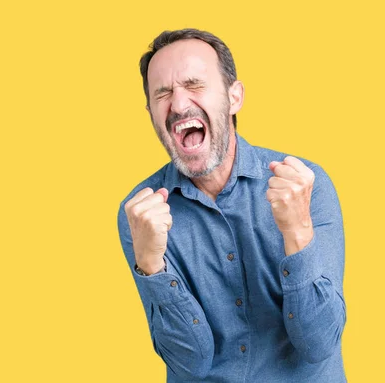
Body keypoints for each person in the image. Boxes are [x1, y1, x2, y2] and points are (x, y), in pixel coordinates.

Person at [117, 28, 347, 382]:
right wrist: (152, 267)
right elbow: (190, 361)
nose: (178, 105)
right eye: (163, 93)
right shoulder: (141, 215)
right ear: (151, 114)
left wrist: (297, 231)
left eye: (194, 84)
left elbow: (319, 343)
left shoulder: (306, 186)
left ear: (234, 97)